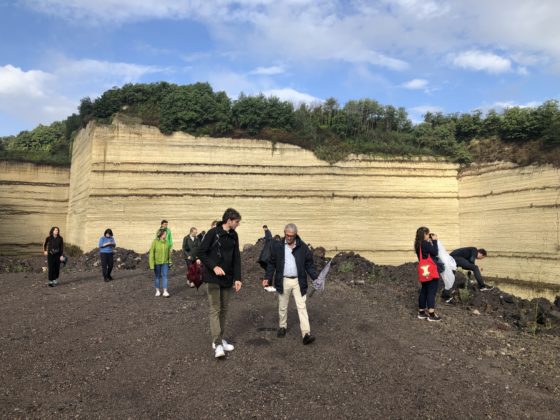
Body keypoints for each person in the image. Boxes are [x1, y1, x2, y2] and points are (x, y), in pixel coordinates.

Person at [264, 223, 319, 345]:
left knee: (302, 307)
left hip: (299, 281)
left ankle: (306, 334)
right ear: (284, 233)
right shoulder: (277, 246)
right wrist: (267, 278)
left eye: (292, 236)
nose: (289, 238)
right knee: (282, 306)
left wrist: (316, 278)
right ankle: (282, 326)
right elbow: (272, 263)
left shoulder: (303, 248)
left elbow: (309, 265)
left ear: (295, 235)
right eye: (287, 235)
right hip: (283, 280)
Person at [198, 208, 243, 359]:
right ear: (229, 220)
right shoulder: (213, 233)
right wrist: (214, 266)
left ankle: (220, 338)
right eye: (236, 222)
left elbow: (236, 257)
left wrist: (238, 278)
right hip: (212, 277)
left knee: (224, 309)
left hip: (227, 278)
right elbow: (201, 252)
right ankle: (217, 344)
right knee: (215, 309)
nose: (238, 225)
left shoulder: (234, 235)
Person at [414, 227, 442, 322]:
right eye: (428, 234)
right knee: (431, 291)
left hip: (423, 271)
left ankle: (421, 312)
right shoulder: (425, 243)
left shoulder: (418, 245)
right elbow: (435, 252)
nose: (428, 235)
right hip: (431, 271)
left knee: (424, 290)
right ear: (424, 234)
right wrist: (434, 241)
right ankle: (431, 314)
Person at [149, 228, 173, 297]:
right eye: (165, 234)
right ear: (161, 234)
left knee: (165, 276)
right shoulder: (155, 242)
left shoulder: (167, 242)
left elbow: (169, 253)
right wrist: (151, 264)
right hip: (157, 263)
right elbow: (151, 254)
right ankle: (157, 291)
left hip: (165, 263)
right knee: (157, 277)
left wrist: (170, 261)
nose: (166, 235)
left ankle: (165, 291)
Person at [258, 225, 276, 292]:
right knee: (269, 273)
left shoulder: (268, 233)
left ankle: (267, 286)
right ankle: (267, 287)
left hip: (262, 259)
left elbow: (268, 237)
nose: (264, 229)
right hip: (266, 260)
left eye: (265, 228)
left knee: (267, 273)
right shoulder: (273, 243)